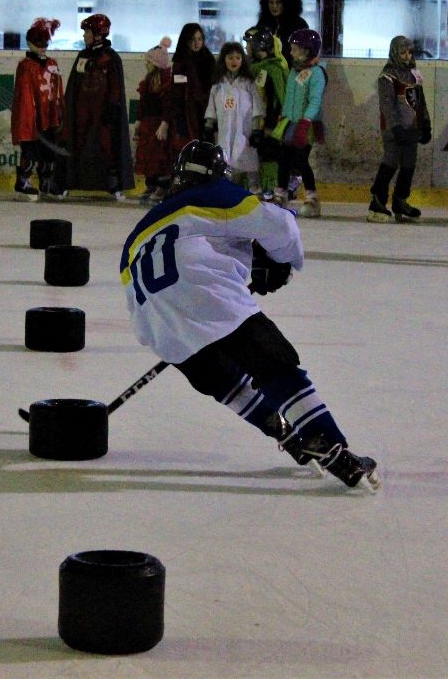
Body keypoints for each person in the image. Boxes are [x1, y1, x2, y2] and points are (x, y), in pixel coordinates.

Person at [120, 140, 380, 491]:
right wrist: (283, 261)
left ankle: (285, 433)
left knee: (224, 381)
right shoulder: (213, 193)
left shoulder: (144, 226)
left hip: (152, 319)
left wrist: (173, 323)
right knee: (274, 362)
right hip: (203, 292)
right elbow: (280, 227)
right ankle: (327, 445)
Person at [61, 13, 133, 201]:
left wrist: (112, 109)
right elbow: (74, 86)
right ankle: (69, 183)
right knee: (77, 147)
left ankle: (113, 185)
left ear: (98, 34)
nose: (84, 35)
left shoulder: (111, 58)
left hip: (102, 116)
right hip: (81, 115)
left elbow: (115, 87)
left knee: (107, 149)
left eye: (87, 32)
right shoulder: (83, 56)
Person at [367, 35, 430, 223]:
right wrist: (395, 127)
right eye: (403, 53)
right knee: (391, 163)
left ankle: (400, 200)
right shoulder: (387, 76)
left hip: (412, 128)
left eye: (410, 52)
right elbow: (387, 105)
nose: (407, 56)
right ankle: (377, 202)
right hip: (394, 130)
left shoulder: (414, 74)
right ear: (395, 53)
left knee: (409, 165)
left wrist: (425, 124)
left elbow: (420, 101)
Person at [10, 17, 66, 201]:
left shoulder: (52, 63)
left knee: (48, 150)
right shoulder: (26, 66)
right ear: (29, 43)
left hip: (49, 115)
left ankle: (46, 182)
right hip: (31, 116)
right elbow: (24, 94)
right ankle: (23, 182)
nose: (42, 47)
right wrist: (29, 116)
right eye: (38, 43)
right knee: (30, 150)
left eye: (45, 43)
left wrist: (59, 110)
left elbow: (58, 89)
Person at [277, 28, 325, 218]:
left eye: (295, 49)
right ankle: (280, 194)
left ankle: (312, 198)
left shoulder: (316, 73)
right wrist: (284, 117)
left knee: (301, 160)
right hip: (290, 123)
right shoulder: (294, 71)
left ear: (306, 50)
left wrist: (306, 121)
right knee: (284, 159)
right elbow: (289, 97)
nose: (291, 52)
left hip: (306, 125)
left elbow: (315, 100)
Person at [203, 41, 262, 195]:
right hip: (225, 130)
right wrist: (208, 126)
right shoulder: (218, 86)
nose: (234, 61)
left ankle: (253, 188)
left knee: (248, 159)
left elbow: (257, 107)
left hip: (245, 130)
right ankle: (228, 191)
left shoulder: (248, 83)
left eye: (238, 57)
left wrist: (257, 129)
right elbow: (212, 107)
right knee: (226, 159)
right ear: (224, 60)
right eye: (230, 58)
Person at [242, 25, 288, 202]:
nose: (246, 48)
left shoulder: (271, 69)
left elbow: (276, 99)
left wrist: (270, 125)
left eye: (249, 44)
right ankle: (258, 188)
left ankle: (271, 189)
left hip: (269, 123)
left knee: (269, 154)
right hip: (255, 121)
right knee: (256, 153)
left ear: (258, 45)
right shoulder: (253, 67)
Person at [133, 37, 174, 205]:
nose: (146, 64)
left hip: (158, 125)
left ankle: (162, 185)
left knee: (160, 156)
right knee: (147, 155)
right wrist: (138, 121)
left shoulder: (165, 83)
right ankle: (151, 183)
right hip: (147, 125)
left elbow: (168, 106)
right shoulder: (147, 82)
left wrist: (165, 123)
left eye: (148, 62)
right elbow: (142, 104)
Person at [164, 22, 215, 158]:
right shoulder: (181, 63)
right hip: (187, 112)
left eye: (199, 39)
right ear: (186, 41)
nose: (196, 43)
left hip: (207, 110)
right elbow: (177, 91)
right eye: (192, 39)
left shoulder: (209, 60)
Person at [255, 0, 310, 66]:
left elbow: (305, 53)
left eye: (278, 2)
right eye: (271, 2)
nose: (274, 6)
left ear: (286, 3)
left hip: (292, 69)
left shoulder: (299, 24)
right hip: (267, 69)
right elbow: (256, 46)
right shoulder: (263, 23)